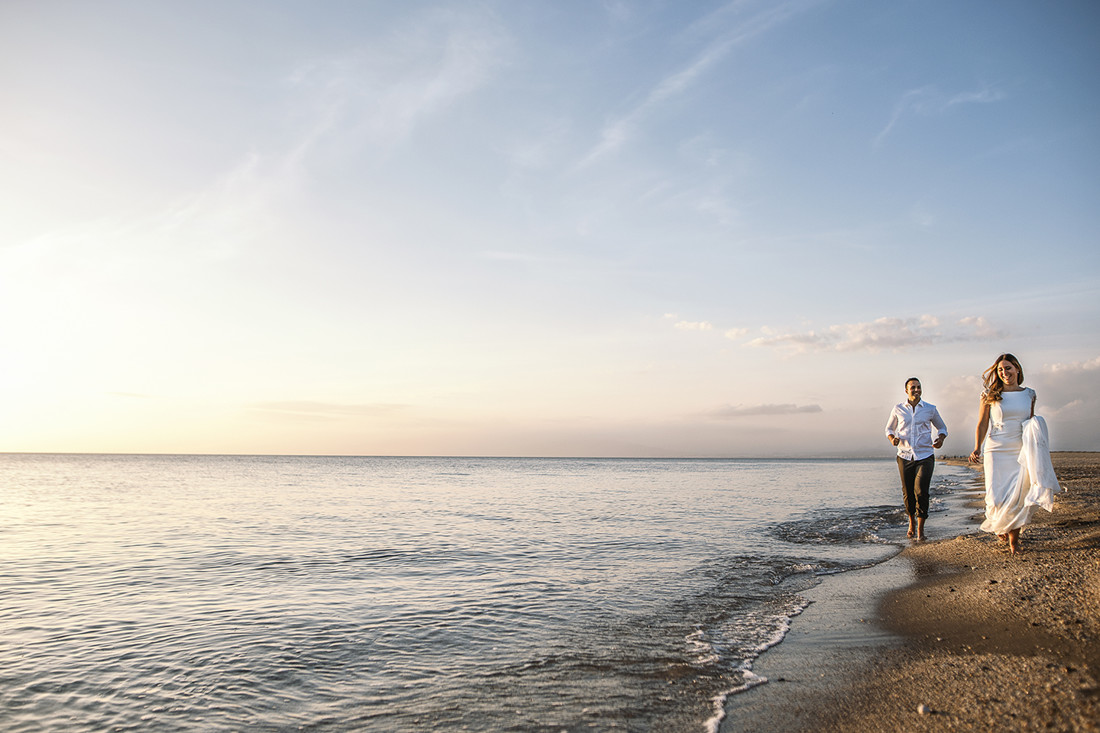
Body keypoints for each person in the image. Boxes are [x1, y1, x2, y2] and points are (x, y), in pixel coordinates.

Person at [968, 353, 1060, 555]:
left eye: (1008, 368)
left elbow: (1031, 421)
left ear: (1017, 369)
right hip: (996, 448)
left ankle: (1014, 542)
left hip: (1020, 449)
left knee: (1018, 495)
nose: (1004, 372)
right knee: (995, 497)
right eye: (1000, 370)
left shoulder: (1029, 394)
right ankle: (1000, 524)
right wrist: (977, 447)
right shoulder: (990, 395)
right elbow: (983, 423)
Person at [885, 377, 948, 541]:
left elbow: (942, 427)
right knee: (908, 493)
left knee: (921, 491)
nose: (916, 390)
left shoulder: (930, 409)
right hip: (904, 455)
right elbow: (889, 428)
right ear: (906, 390)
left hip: (925, 455)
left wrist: (940, 439)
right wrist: (892, 439)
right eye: (913, 387)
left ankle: (920, 529)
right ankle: (911, 521)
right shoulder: (898, 408)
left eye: (918, 387)